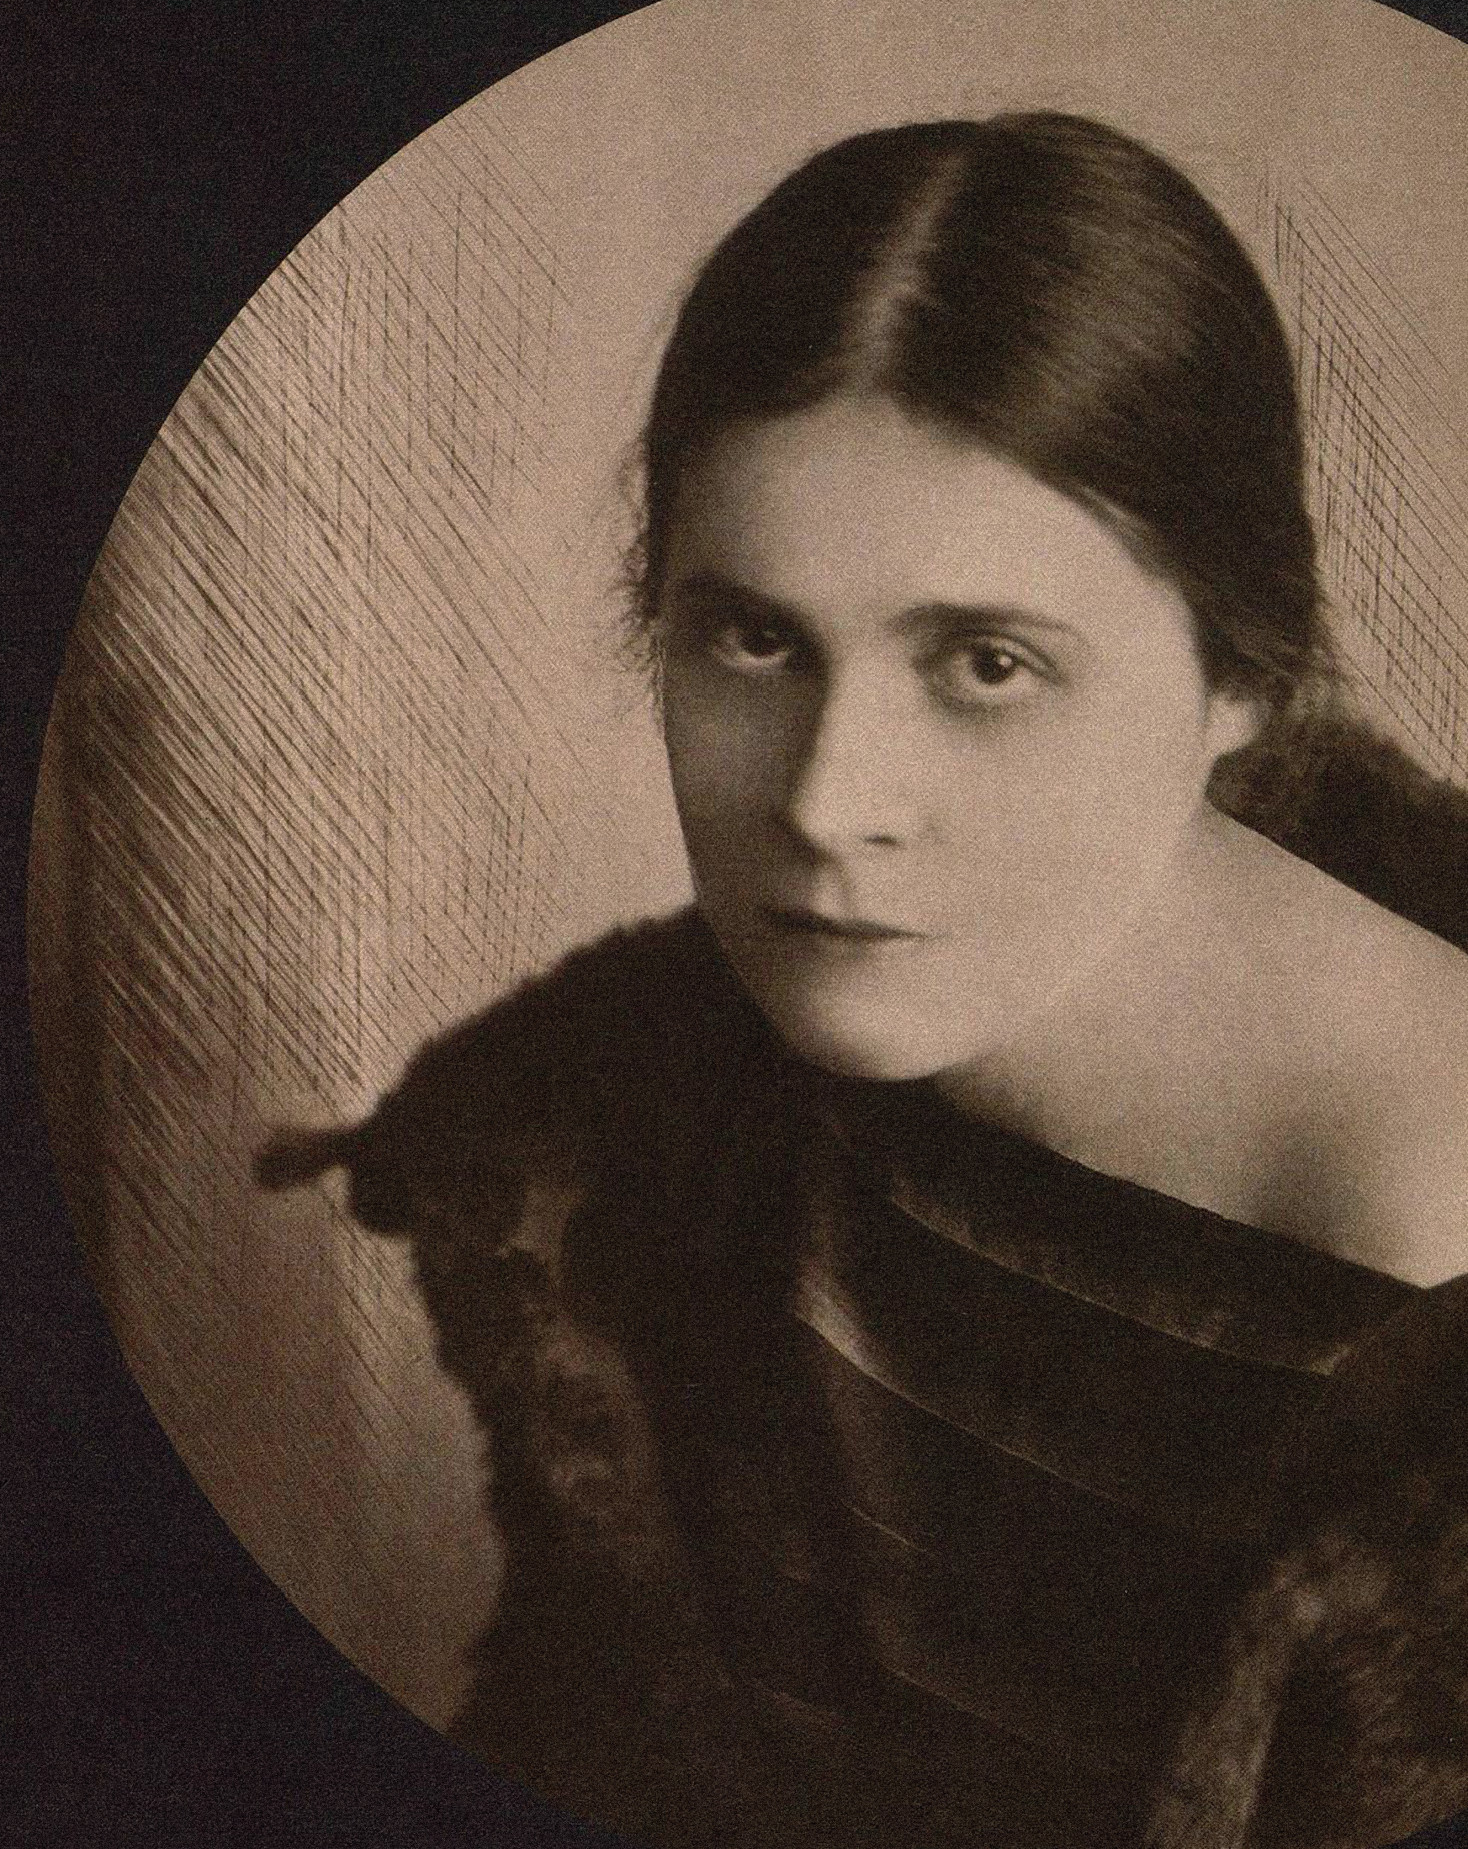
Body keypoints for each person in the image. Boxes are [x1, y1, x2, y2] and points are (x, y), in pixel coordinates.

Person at [261, 113, 1468, 1849]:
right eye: (754, 639)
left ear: (1244, 679)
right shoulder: (663, 1110)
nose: (829, 804)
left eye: (986, 665)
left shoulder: (1423, 1251)